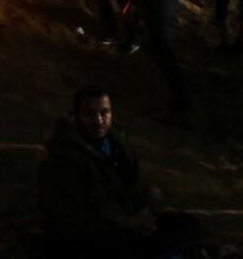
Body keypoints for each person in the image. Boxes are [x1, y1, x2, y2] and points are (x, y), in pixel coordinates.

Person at [38, 85, 200, 258]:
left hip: (123, 218)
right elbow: (75, 216)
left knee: (186, 226)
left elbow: (130, 180)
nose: (99, 120)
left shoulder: (114, 139)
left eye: (104, 112)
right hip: (92, 236)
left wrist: (142, 211)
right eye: (90, 113)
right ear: (78, 116)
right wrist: (126, 222)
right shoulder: (65, 157)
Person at [125, 0, 191, 125]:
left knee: (164, 52)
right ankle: (176, 101)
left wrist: (132, 3)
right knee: (162, 50)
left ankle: (181, 107)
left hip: (157, 0)